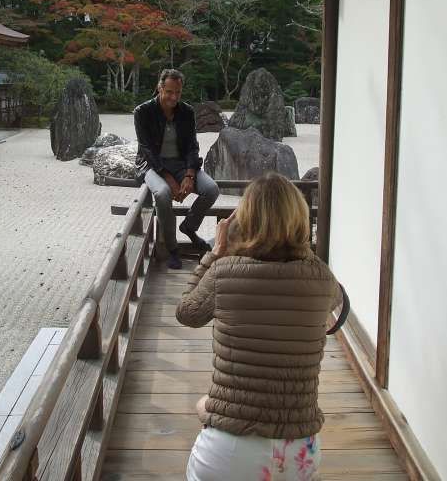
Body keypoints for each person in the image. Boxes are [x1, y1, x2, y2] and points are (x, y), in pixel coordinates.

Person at [176, 172, 343, 481]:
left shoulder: (224, 272)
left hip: (229, 451)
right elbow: (335, 300)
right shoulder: (322, 278)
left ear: (245, 219)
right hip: (298, 452)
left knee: (205, 406)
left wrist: (214, 254)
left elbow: (187, 313)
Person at [134, 69, 220, 269]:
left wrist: (190, 175)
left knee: (211, 189)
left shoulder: (187, 112)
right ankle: (173, 249)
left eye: (178, 93)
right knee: (163, 193)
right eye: (170, 92)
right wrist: (167, 177)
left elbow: (192, 145)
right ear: (160, 88)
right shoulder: (143, 112)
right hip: (151, 164)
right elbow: (146, 148)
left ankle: (189, 227)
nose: (174, 97)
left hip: (181, 164)